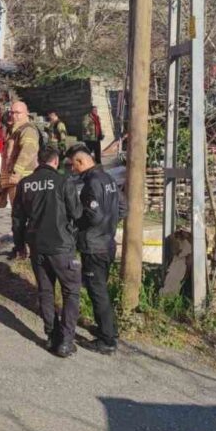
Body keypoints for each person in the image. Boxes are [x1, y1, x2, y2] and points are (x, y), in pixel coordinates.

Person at [12, 146, 83, 357]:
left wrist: (19, 245)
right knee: (71, 292)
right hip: (62, 247)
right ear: (55, 161)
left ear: (38, 161)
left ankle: (51, 336)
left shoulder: (25, 184)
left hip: (37, 247)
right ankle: (66, 341)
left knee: (45, 291)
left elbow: (17, 219)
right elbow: (77, 212)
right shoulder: (63, 182)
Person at [70, 148, 124, 355]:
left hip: (94, 246)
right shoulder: (108, 179)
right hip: (108, 243)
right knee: (101, 290)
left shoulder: (91, 183)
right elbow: (122, 208)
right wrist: (109, 227)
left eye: (72, 165)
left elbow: (92, 215)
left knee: (97, 291)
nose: (72, 170)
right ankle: (109, 329)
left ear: (81, 161)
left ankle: (107, 341)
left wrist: (77, 227)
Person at [0, 101, 40, 215]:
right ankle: (17, 232)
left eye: (18, 113)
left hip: (23, 179)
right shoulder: (16, 130)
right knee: (16, 212)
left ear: (26, 114)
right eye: (12, 113)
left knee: (21, 214)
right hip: (14, 180)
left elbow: (28, 151)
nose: (14, 115)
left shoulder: (27, 130)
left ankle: (21, 232)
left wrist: (17, 172)